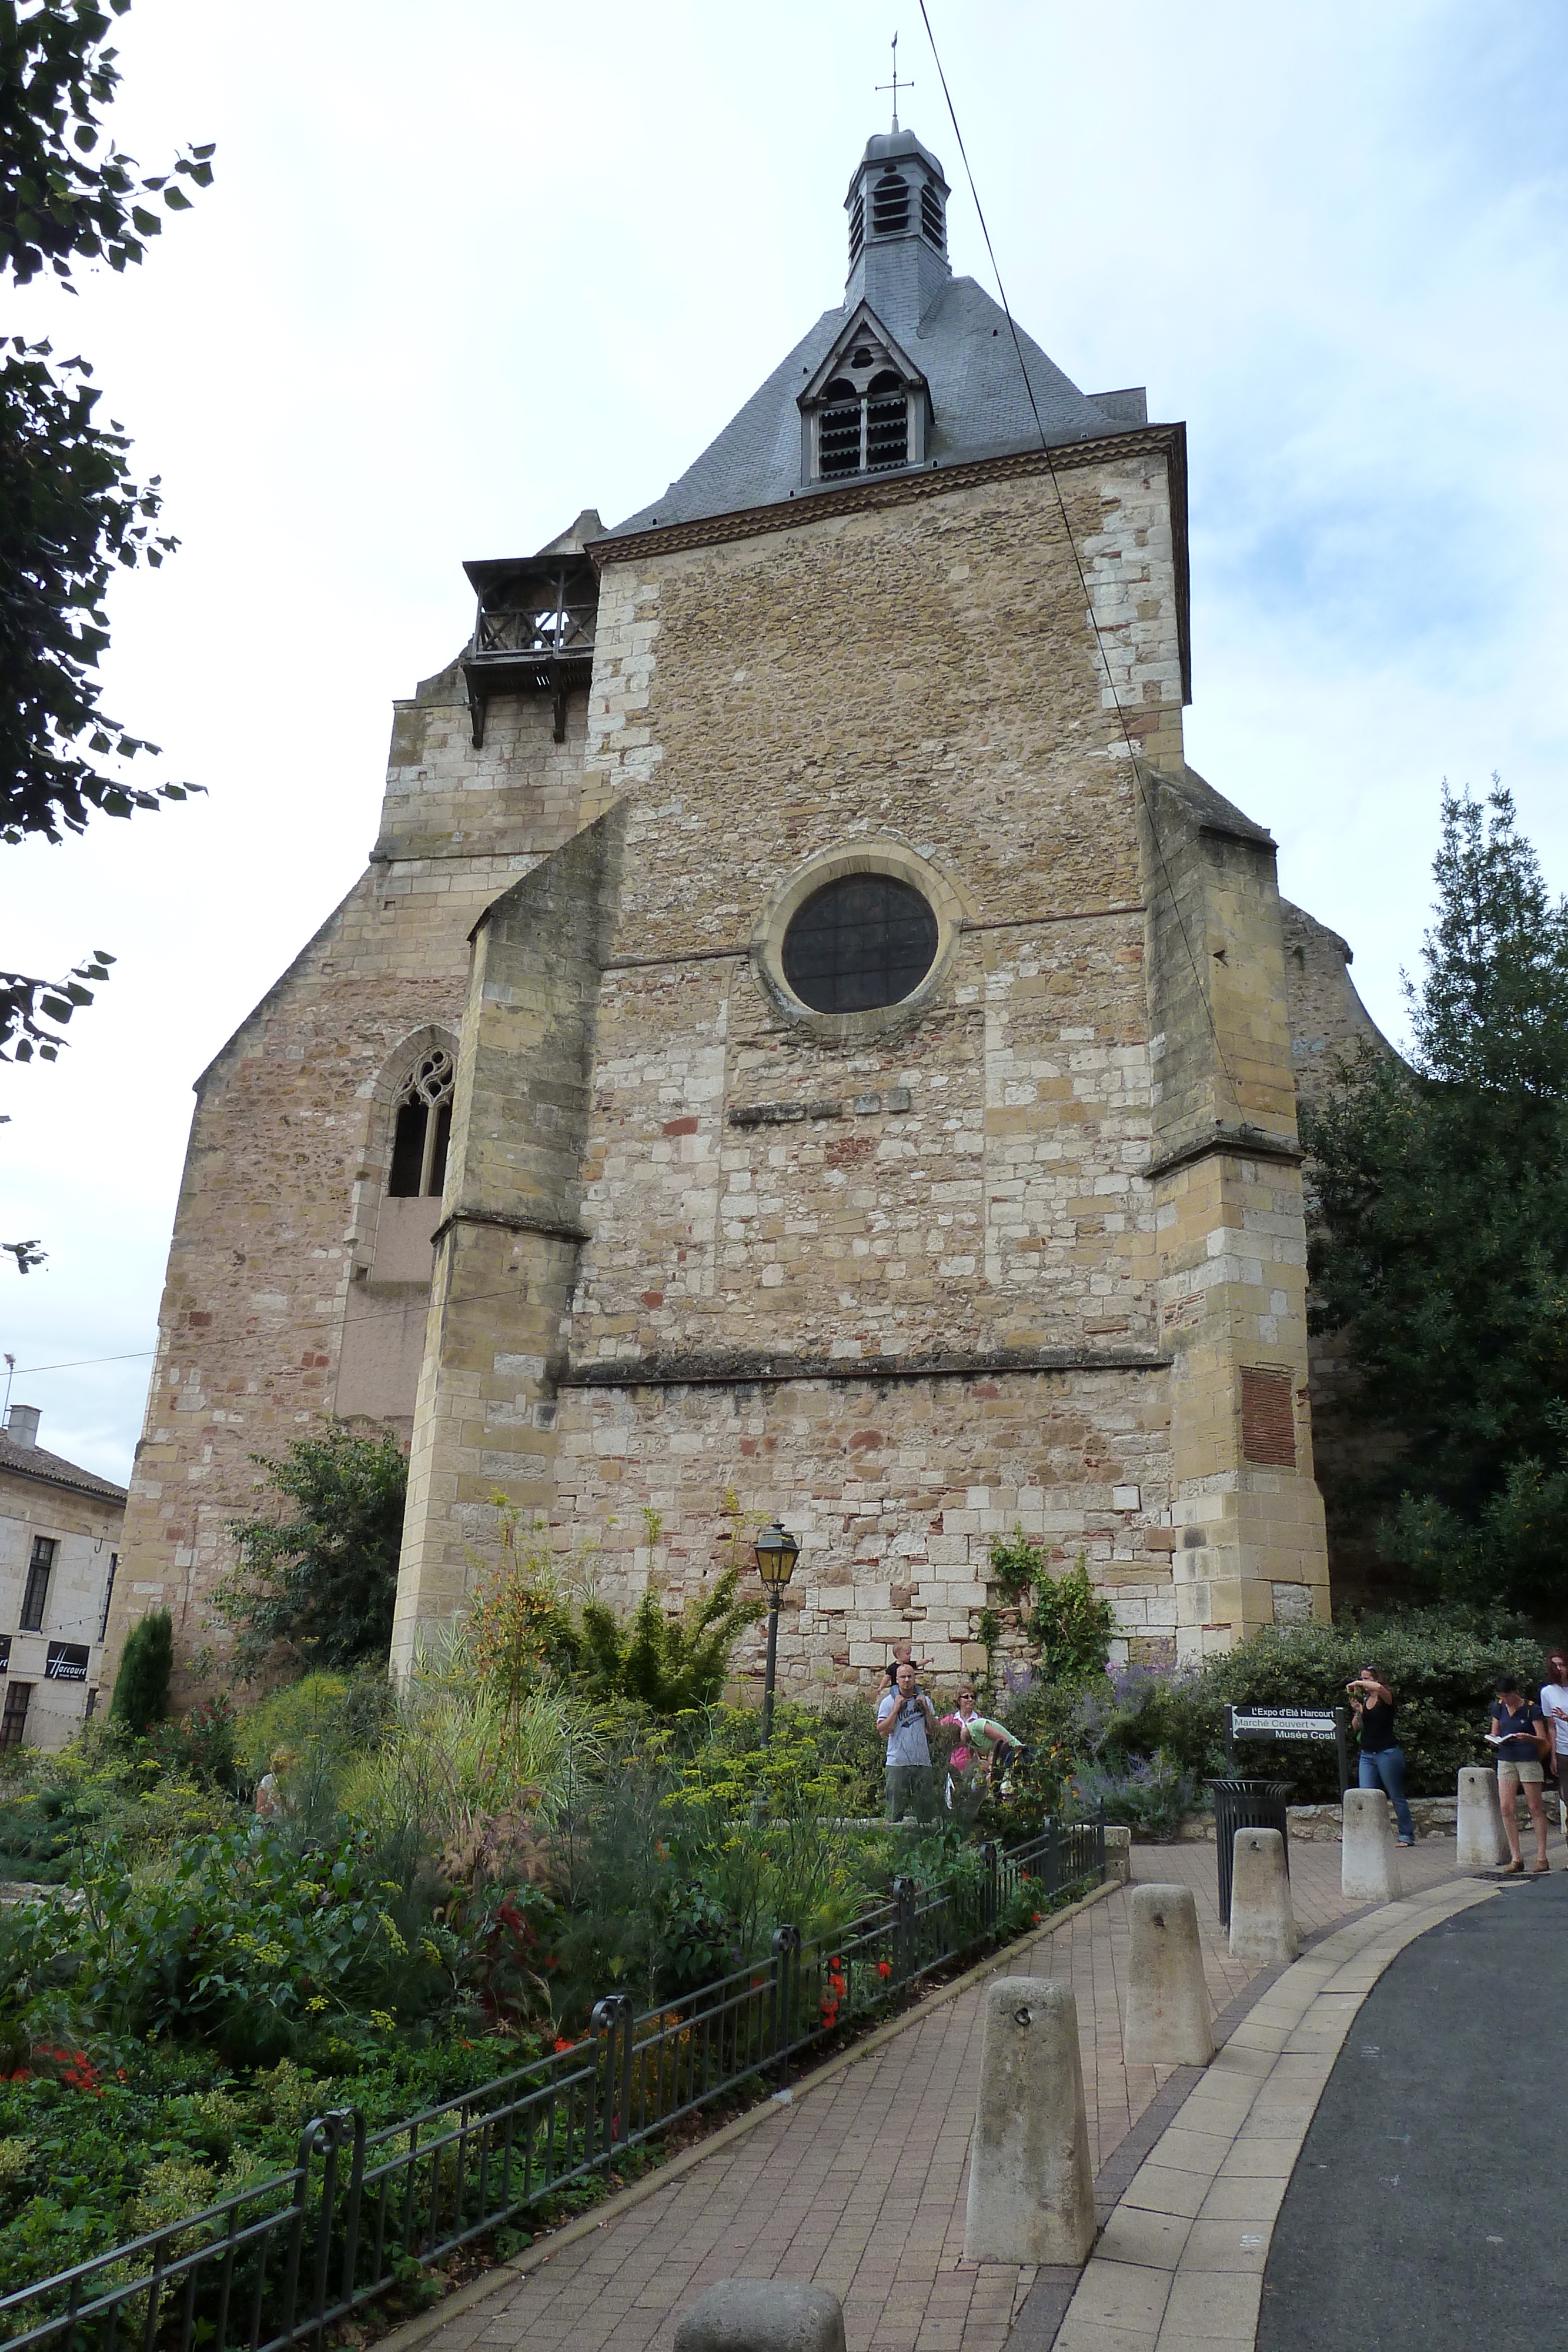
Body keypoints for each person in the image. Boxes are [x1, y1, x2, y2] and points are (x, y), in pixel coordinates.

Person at [1346, 1664, 1415, 1846]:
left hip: (1387, 1753)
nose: (1364, 1682)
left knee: (1396, 1795)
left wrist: (1357, 1683)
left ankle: (1406, 1835)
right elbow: (1356, 1727)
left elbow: (1378, 1689)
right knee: (1366, 1795)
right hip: (1368, 1754)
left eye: (1367, 1678)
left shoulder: (1386, 1698)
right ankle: (1367, 1833)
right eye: (1362, 1678)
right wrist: (1357, 1711)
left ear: (1376, 1679)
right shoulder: (1366, 1701)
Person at [1489, 1675, 1551, 1876]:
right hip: (1506, 1758)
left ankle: (1542, 1855)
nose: (1505, 1699)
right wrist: (1495, 1740)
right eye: (1502, 1696)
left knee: (1535, 1807)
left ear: (1515, 1692)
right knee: (1506, 1807)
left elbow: (1542, 1738)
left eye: (1507, 1695)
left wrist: (1528, 1738)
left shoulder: (1531, 1708)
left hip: (1528, 1758)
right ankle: (1517, 1857)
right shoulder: (1498, 1707)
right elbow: (1495, 1731)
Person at [938, 1688, 1022, 1811]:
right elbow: (982, 1760)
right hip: (1003, 1764)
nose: (961, 1748)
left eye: (957, 1746)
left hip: (1016, 1755)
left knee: (1008, 1791)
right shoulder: (971, 1741)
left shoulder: (978, 1726)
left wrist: (994, 1765)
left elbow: (1005, 1742)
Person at [878, 1661, 938, 1823]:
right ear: (897, 1680)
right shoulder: (888, 1702)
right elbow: (883, 1731)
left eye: (910, 1676)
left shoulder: (925, 1701)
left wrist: (926, 1709)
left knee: (926, 1815)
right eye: (903, 1677)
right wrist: (896, 1709)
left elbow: (935, 1731)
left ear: (915, 1679)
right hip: (897, 1763)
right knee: (894, 1812)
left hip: (922, 1762)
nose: (907, 1680)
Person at [1540, 1647, 1568, 1843]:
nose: (1559, 1669)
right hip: (1563, 1750)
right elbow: (1551, 1726)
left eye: (1563, 1665)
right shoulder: (1547, 1693)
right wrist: (1553, 1756)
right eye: (1555, 1665)